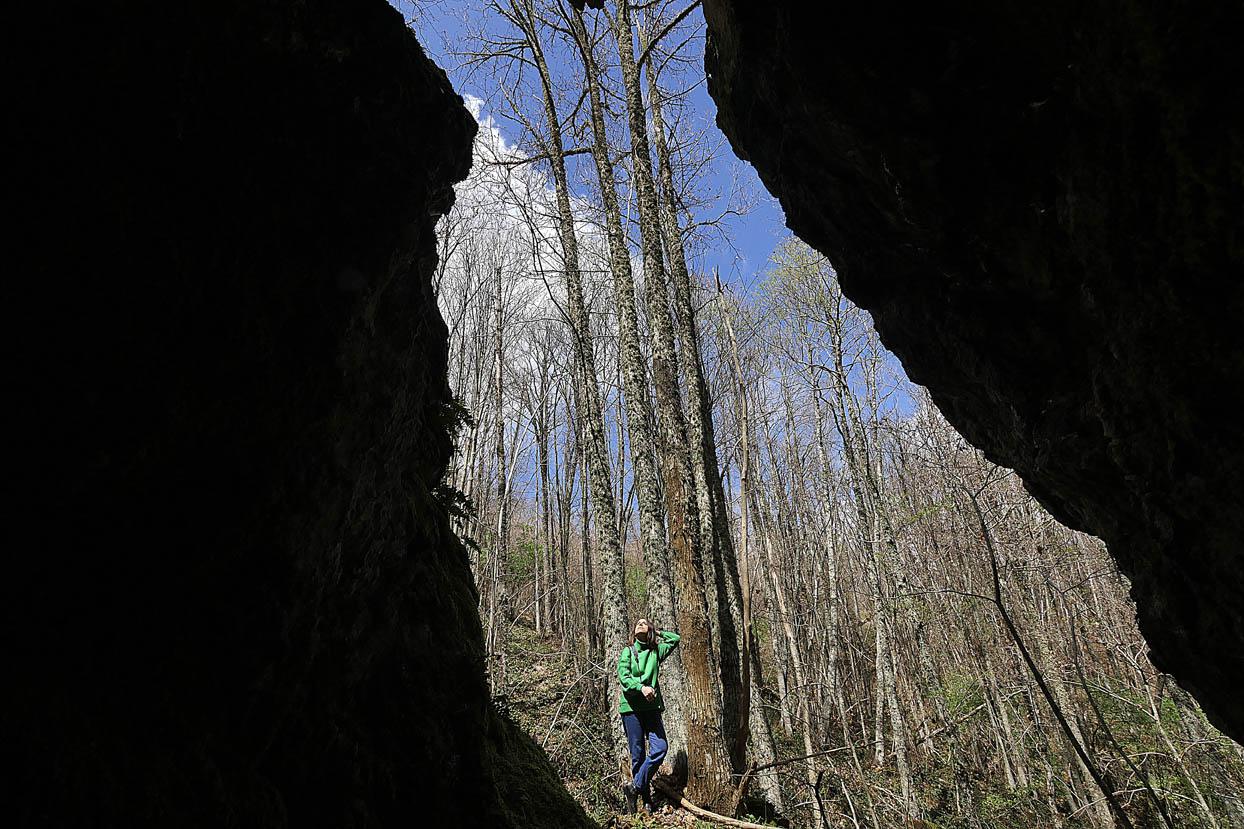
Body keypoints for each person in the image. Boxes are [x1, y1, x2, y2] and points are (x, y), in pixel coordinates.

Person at [616, 617, 680, 814]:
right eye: (637, 623)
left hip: (651, 710)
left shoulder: (655, 652)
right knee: (637, 755)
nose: (640, 624)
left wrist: (657, 632)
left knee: (660, 748)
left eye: (645, 623)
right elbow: (624, 678)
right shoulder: (628, 652)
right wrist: (641, 687)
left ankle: (634, 787)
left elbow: (675, 639)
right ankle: (645, 801)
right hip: (631, 710)